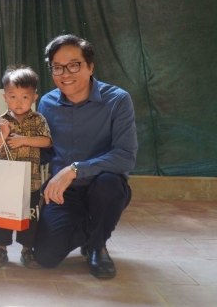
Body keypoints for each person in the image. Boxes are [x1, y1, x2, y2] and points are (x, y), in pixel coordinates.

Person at [34, 34, 137, 279]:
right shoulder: (47, 103)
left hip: (102, 186)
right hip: (64, 193)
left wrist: (75, 169)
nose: (65, 73)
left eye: (74, 65)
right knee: (45, 257)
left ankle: (97, 244)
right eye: (57, 67)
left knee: (109, 184)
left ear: (90, 67)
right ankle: (89, 228)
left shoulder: (118, 100)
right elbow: (46, 150)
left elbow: (125, 156)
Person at [0, 66, 52, 270]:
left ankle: (26, 250)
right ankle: (0, 249)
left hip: (30, 182)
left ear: (34, 97)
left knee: (29, 217)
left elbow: (47, 142)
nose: (19, 102)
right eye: (13, 96)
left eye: (24, 96)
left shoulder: (38, 120)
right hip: (3, 183)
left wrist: (24, 140)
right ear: (5, 97)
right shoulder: (1, 121)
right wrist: (4, 133)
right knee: (1, 216)